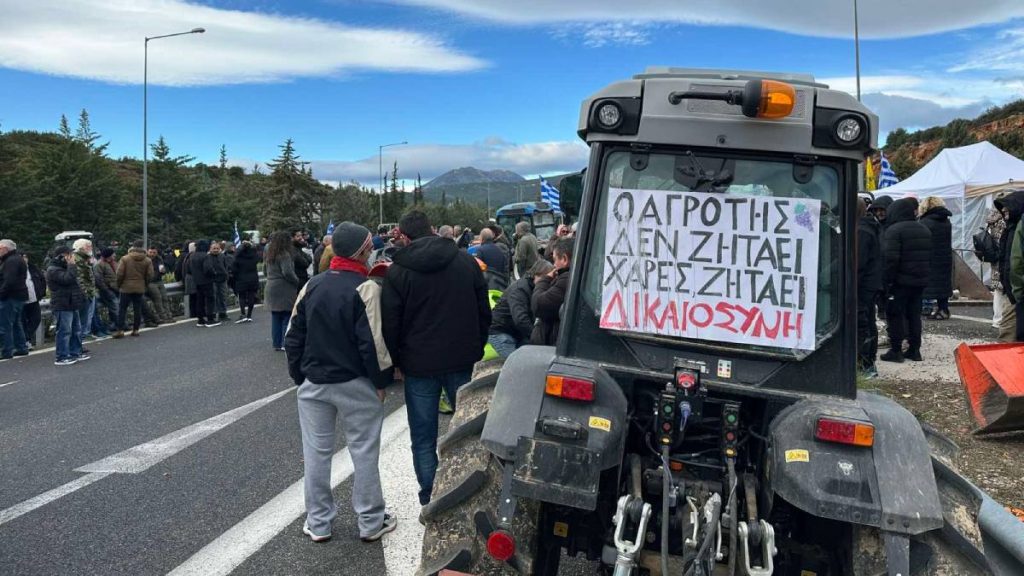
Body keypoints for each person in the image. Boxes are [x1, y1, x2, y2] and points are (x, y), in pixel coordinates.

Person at [286, 222, 398, 543]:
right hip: (355, 383)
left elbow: (293, 337)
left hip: (314, 383)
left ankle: (318, 522)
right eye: (369, 247)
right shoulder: (366, 288)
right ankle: (371, 521)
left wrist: (300, 377)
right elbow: (373, 344)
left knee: (316, 454)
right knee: (363, 452)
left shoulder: (312, 285)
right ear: (362, 251)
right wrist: (381, 382)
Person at [382, 211, 490, 505]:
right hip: (462, 356)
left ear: (404, 237)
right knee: (468, 431)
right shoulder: (466, 262)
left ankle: (430, 496)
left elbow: (391, 323)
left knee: (422, 436)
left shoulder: (397, 272)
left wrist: (397, 361)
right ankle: (469, 487)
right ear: (432, 229)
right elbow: (483, 310)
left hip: (418, 363)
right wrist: (477, 346)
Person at [880, 198, 932, 363]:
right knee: (914, 315)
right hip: (919, 281)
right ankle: (914, 349)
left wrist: (887, 281)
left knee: (895, 314)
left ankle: (896, 350)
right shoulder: (924, 229)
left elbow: (891, 259)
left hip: (899, 281)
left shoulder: (894, 231)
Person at [489, 260, 554, 358]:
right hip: (500, 331)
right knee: (516, 361)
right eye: (545, 278)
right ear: (535, 275)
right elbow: (520, 319)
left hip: (516, 332)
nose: (547, 282)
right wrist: (536, 337)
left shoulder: (532, 287)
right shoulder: (519, 289)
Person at [47, 246, 89, 366]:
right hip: (62, 304)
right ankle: (62, 356)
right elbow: (67, 280)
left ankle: (75, 352)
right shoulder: (53, 269)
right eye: (69, 255)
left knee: (76, 330)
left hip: (72, 302)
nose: (72, 258)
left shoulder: (64, 268)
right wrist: (71, 266)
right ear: (62, 256)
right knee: (64, 331)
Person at [856, 199, 883, 378]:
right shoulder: (869, 227)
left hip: (863, 285)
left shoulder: (861, 231)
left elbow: (858, 263)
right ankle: (868, 362)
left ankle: (865, 363)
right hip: (871, 283)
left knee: (863, 323)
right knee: (868, 321)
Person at [531, 236, 573, 346]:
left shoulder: (566, 279)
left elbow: (538, 305)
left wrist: (545, 280)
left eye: (555, 260)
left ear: (564, 259)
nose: (554, 265)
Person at [994, 191, 1024, 341]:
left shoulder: (1016, 228)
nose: (1004, 210)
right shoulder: (1011, 227)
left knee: (1007, 333)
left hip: (1016, 290)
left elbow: (1016, 262)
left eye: (1007, 206)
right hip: (1012, 288)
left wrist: (1016, 290)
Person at [265, 231, 302, 350]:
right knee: (286, 315)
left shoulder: (270, 254)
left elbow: (265, 271)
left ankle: (276, 343)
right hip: (283, 287)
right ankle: (284, 342)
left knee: (276, 316)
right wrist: (297, 281)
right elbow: (287, 272)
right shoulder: (285, 254)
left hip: (271, 284)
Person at [918, 197, 954, 320]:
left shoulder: (924, 222)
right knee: (943, 284)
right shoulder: (946, 221)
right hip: (945, 257)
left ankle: (925, 308)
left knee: (927, 285)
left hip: (930, 257)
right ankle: (943, 309)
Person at [113, 241, 154, 338]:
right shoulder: (147, 260)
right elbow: (150, 275)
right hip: (139, 287)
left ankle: (120, 330)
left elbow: (119, 274)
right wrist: (144, 284)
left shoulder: (125, 259)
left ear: (132, 247)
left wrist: (119, 285)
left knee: (122, 309)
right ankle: (136, 330)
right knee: (137, 309)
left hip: (126, 287)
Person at [0, 239, 30, 359]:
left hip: (10, 296)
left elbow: (9, 281)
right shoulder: (17, 259)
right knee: (17, 323)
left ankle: (6, 350)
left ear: (5, 248)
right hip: (19, 295)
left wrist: (1, 294)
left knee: (5, 324)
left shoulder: (10, 261)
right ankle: (21, 347)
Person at [984, 202, 1010, 328]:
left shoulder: (992, 219)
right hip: (1004, 256)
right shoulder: (1004, 220)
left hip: (995, 257)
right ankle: (1001, 319)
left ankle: (997, 319)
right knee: (1004, 289)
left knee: (998, 289)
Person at [72, 239, 98, 341]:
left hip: (89, 290)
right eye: (88, 246)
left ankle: (85, 333)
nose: (90, 248)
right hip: (85, 292)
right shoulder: (77, 259)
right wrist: (85, 292)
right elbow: (79, 278)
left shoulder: (86, 259)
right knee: (84, 316)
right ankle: (82, 336)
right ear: (81, 248)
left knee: (88, 315)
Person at [190, 240, 220, 327]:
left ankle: (200, 320)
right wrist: (214, 273)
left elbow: (190, 269)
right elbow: (208, 269)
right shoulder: (205, 256)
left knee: (200, 300)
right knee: (210, 300)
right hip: (207, 281)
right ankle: (210, 319)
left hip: (197, 281)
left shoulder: (193, 256)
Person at [232, 240, 260, 323]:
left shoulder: (238, 258)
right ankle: (249, 315)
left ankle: (243, 313)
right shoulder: (254, 256)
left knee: (242, 296)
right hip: (253, 278)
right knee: (251, 295)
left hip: (241, 278)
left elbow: (234, 269)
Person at [93, 249, 119, 336]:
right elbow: (98, 279)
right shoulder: (99, 265)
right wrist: (106, 289)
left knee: (115, 307)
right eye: (113, 254)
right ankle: (119, 324)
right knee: (115, 306)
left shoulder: (113, 263)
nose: (114, 255)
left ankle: (115, 324)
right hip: (107, 290)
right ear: (109, 255)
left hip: (116, 289)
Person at [22, 253, 46, 349]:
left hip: (34, 299)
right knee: (22, 322)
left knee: (36, 319)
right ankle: (25, 341)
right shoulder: (15, 269)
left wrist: (41, 292)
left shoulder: (33, 268)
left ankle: (26, 338)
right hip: (21, 300)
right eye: (22, 257)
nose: (24, 259)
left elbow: (42, 280)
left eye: (25, 257)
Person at [146, 247, 172, 323]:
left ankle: (169, 315)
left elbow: (163, 270)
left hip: (159, 280)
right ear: (148, 252)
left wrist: (163, 271)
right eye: (150, 252)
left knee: (165, 298)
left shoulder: (159, 259)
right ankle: (163, 317)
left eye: (154, 252)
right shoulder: (146, 260)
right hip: (151, 282)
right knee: (158, 299)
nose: (152, 254)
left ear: (156, 253)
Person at [208, 242, 230, 322]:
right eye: (214, 248)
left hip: (222, 279)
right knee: (214, 297)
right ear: (210, 249)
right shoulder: (208, 257)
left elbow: (226, 266)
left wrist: (226, 274)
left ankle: (223, 313)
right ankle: (213, 314)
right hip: (213, 280)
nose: (216, 250)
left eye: (217, 248)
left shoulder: (222, 256)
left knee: (223, 297)